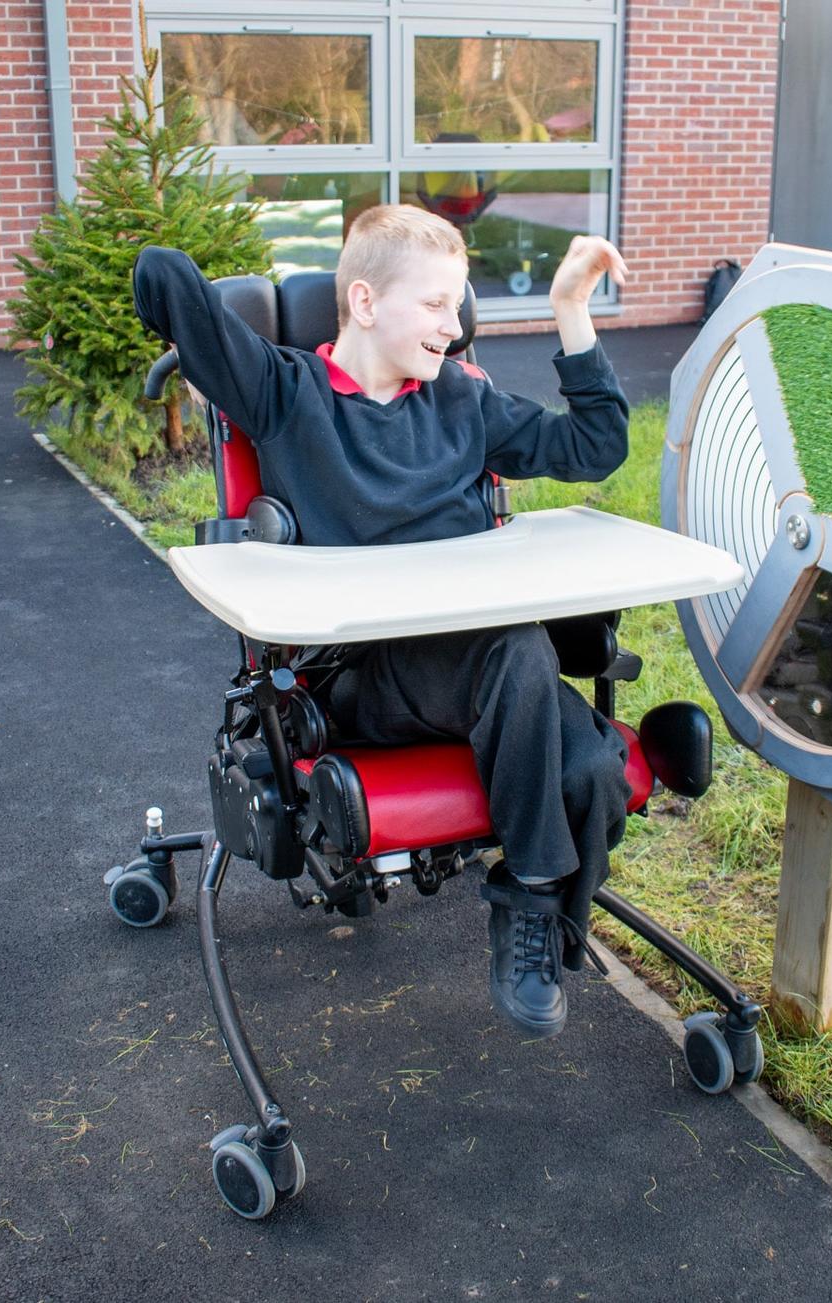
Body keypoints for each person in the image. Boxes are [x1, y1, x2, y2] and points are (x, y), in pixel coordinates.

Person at [132, 205, 632, 1040]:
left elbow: (595, 447)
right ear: (363, 302)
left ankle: (532, 915)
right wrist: (209, 332)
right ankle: (537, 897)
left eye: (459, 303)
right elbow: (160, 269)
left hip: (486, 676)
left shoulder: (462, 403)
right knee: (515, 649)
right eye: (435, 304)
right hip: (361, 680)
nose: (455, 324)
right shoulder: (286, 393)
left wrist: (572, 308)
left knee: (595, 770)